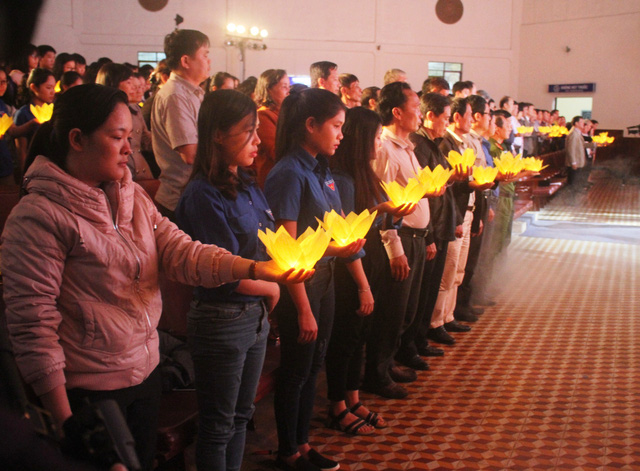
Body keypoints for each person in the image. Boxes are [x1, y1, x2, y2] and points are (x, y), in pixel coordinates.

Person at [1, 84, 310, 471]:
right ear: (77, 139)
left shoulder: (132, 198)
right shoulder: (38, 218)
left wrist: (255, 268)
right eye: (118, 137)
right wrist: (70, 427)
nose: (130, 148)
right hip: (90, 392)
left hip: (144, 371)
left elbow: (183, 252)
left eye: (131, 137)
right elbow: (33, 327)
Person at [174, 90, 303, 471]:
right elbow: (224, 272)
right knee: (218, 425)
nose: (258, 140)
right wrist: (271, 286)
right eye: (248, 132)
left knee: (242, 416)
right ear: (217, 134)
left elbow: (266, 246)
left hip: (254, 316)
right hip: (221, 319)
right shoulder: (202, 195)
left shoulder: (247, 184)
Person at [265, 88, 364, 471]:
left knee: (312, 367)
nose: (341, 134)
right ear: (310, 126)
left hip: (324, 279)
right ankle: (287, 450)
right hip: (300, 287)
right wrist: (303, 308)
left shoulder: (320, 169)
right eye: (336, 126)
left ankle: (303, 444)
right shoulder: (289, 172)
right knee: (296, 370)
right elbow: (286, 249)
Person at [326, 107, 414, 435]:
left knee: (360, 335)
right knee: (346, 338)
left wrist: (390, 208)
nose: (379, 143)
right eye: (376, 137)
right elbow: (349, 231)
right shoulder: (343, 178)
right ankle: (337, 406)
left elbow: (373, 210)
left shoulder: (363, 173)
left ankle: (353, 397)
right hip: (352, 268)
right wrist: (363, 285)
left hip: (370, 259)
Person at [364, 82, 441, 399]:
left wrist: (428, 235)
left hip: (416, 237)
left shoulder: (408, 148)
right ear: (396, 112)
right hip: (399, 240)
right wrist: (394, 249)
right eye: (415, 107)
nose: (420, 114)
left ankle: (390, 361)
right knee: (392, 310)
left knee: (407, 310)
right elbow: (380, 204)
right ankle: (376, 374)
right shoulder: (383, 149)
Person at [151, 29, 210, 220]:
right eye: (205, 55)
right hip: (180, 198)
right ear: (185, 61)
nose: (209, 61)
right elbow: (190, 154)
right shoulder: (175, 96)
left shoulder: (193, 93)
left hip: (193, 193)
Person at [96, 63, 154, 181]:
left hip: (141, 170)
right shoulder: (103, 113)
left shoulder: (135, 108)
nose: (134, 87)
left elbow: (145, 139)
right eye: (128, 83)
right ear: (113, 84)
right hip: (122, 171)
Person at [13, 67, 55, 171]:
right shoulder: (23, 113)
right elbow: (21, 150)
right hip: (34, 167)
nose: (52, 92)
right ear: (34, 88)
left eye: (53, 88)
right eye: (48, 88)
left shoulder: (54, 109)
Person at [253, 68, 290, 188]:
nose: (288, 91)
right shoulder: (263, 115)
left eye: (289, 87)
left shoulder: (283, 114)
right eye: (284, 87)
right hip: (272, 179)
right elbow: (276, 151)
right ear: (269, 89)